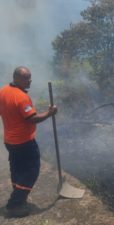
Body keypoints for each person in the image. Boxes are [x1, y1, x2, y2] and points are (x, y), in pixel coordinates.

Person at [0, 66, 57, 218]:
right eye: (26, 78)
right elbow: (32, 118)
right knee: (32, 170)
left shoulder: (3, 91)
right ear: (16, 78)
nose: (30, 80)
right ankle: (14, 205)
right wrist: (50, 113)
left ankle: (19, 195)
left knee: (17, 169)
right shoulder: (21, 97)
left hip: (10, 141)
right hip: (23, 142)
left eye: (30, 77)